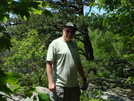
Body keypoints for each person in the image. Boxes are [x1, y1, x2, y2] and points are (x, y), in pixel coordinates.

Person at [46, 22, 88, 101]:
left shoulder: (74, 45)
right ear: (63, 30)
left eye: (72, 32)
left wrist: (84, 80)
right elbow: (49, 63)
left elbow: (78, 64)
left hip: (74, 86)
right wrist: (50, 82)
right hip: (59, 86)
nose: (70, 33)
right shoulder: (55, 44)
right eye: (68, 31)